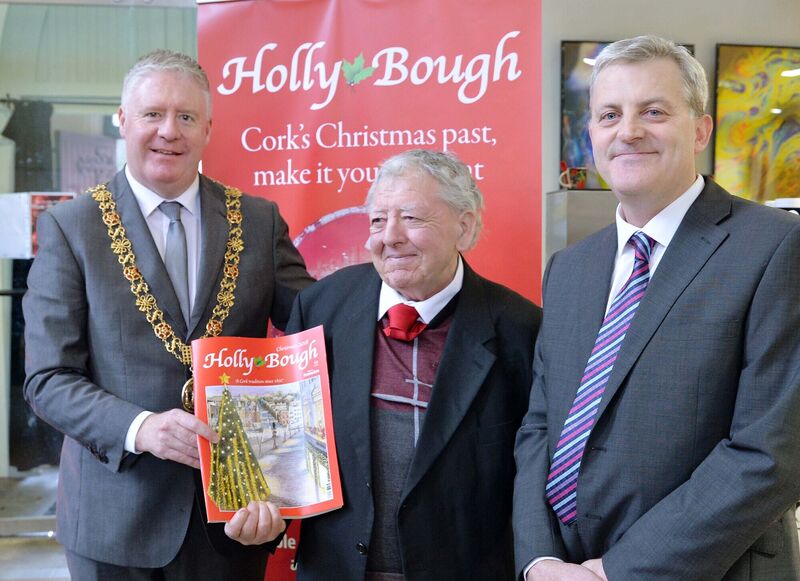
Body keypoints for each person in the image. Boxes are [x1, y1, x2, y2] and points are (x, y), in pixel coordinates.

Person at [513, 35, 800, 581]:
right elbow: (541, 425)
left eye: (653, 111)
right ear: (591, 134)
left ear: (700, 130)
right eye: (609, 115)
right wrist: (540, 559)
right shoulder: (569, 268)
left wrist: (616, 572)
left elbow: (772, 454)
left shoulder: (776, 246)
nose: (629, 131)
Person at [23, 49, 314, 579]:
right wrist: (142, 427)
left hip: (234, 516)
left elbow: (312, 332)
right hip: (113, 521)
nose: (168, 131)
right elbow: (47, 380)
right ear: (123, 120)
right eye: (153, 114)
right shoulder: (73, 228)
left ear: (208, 128)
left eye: (185, 117)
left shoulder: (258, 219)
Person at [286, 149, 541, 580]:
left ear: (465, 226)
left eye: (412, 218)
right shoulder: (320, 308)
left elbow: (535, 471)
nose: (390, 236)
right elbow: (286, 440)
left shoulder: (522, 331)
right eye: (378, 221)